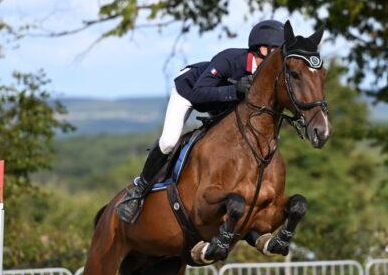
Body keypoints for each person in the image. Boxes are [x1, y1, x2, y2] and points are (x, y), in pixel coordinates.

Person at [115, 19, 286, 223]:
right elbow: (199, 94)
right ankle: (139, 190)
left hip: (220, 103)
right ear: (262, 49)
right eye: (277, 50)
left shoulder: (267, 73)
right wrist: (235, 90)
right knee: (169, 141)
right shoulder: (230, 59)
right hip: (189, 91)